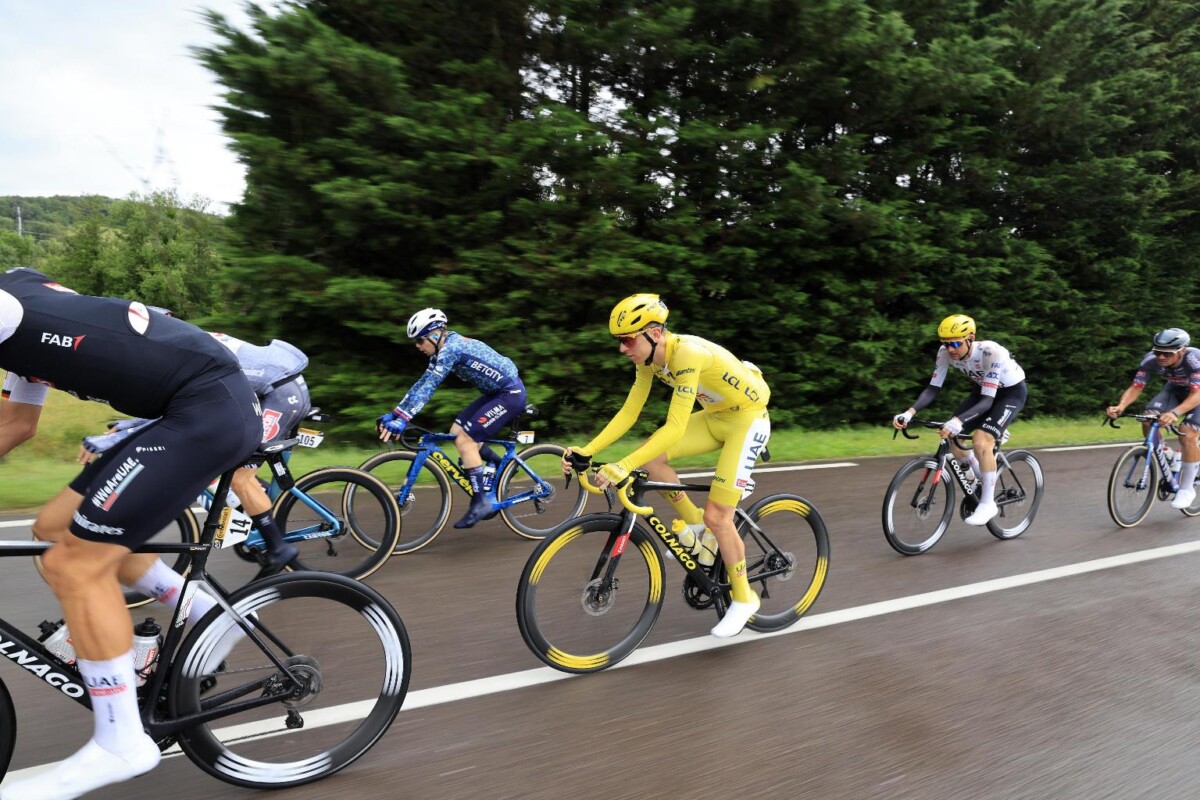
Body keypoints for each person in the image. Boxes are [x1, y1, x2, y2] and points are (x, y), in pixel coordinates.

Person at [0, 268, 261, 800]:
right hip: (184, 408)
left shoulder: (7, 309)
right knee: (51, 530)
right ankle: (203, 611)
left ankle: (121, 741)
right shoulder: (20, 330)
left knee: (74, 564)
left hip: (207, 408)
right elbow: (15, 425)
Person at [562, 294, 771, 638]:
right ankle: (700, 535)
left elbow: (674, 426)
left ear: (655, 333)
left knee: (718, 516)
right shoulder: (647, 362)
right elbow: (630, 412)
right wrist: (588, 449)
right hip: (717, 417)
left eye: (628, 340)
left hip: (748, 421)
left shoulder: (687, 353)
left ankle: (745, 597)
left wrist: (624, 464)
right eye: (619, 341)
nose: (623, 349)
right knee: (652, 457)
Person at [77, 329, 312, 568]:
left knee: (241, 479)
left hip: (282, 393)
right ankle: (254, 499)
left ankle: (278, 547)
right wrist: (124, 427)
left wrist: (114, 437)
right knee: (221, 452)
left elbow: (170, 413)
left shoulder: (173, 360)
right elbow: (165, 409)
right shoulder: (174, 343)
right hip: (264, 387)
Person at [376, 308, 526, 529]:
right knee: (456, 433)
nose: (418, 346)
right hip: (496, 393)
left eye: (420, 340)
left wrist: (404, 419)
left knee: (466, 442)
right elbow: (421, 384)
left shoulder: (452, 349)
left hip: (510, 394)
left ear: (436, 334)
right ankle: (495, 462)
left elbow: (430, 388)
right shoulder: (443, 349)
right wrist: (397, 413)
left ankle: (481, 503)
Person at [892, 313, 1028, 526]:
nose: (950, 349)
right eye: (946, 344)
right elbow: (932, 388)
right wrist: (909, 413)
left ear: (970, 337)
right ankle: (980, 478)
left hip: (1009, 394)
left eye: (955, 343)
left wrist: (957, 421)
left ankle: (987, 503)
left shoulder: (991, 352)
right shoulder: (945, 353)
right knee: (953, 441)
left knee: (981, 441)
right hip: (981, 391)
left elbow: (986, 402)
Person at [1105, 328, 1200, 508]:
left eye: (1166, 353)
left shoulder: (1194, 360)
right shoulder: (1150, 359)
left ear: (1182, 350)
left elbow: (1197, 393)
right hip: (1174, 390)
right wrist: (1121, 406)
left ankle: (1187, 489)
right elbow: (1137, 386)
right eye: (1157, 352)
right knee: (1148, 419)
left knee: (1187, 434)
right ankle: (1166, 453)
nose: (1161, 357)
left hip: (1198, 394)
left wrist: (1174, 413)